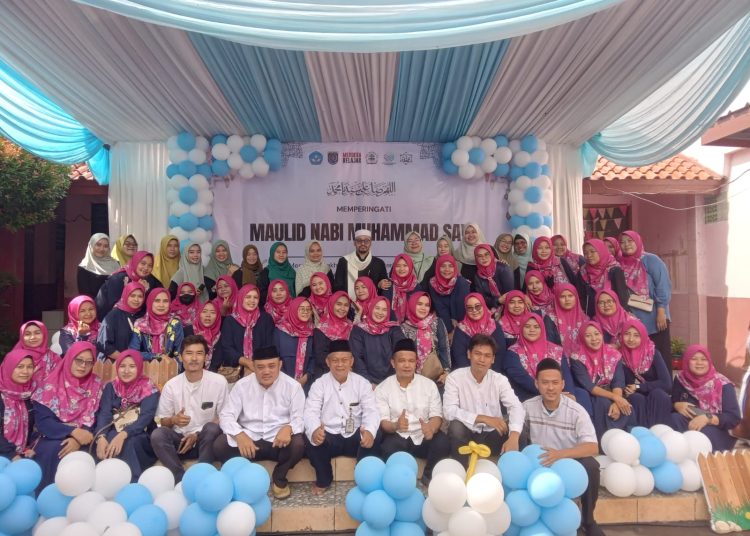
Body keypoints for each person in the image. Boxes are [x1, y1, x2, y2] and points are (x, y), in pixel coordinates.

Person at [522, 358, 604, 536]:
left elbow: (592, 447)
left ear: (562, 384)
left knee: (591, 466)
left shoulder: (576, 411)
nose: (550, 388)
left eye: (555, 383)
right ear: (536, 384)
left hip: (567, 463)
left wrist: (560, 454)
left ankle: (588, 520)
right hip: (539, 464)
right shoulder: (527, 407)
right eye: (545, 383)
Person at [214, 346, 305, 499]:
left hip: (278, 441)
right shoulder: (242, 385)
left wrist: (289, 428)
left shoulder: (293, 387)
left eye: (271, 366)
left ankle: (279, 478)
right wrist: (239, 435)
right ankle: (244, 476)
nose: (266, 371)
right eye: (260, 367)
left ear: (280, 365)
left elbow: (300, 418)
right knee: (220, 445)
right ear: (253, 367)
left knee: (298, 444)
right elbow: (226, 415)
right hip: (250, 441)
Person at [304, 340, 379, 494]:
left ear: (351, 361)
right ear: (327, 362)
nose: (340, 365)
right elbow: (310, 411)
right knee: (309, 437)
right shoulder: (319, 384)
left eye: (344, 360)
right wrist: (315, 429)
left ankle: (364, 477)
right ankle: (324, 479)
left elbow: (371, 411)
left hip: (355, 437)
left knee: (377, 433)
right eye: (335, 360)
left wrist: (369, 431)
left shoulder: (362, 383)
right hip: (329, 436)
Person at [151, 335, 227, 482]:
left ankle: (202, 475)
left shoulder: (219, 382)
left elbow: (224, 417)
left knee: (212, 428)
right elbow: (161, 421)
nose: (194, 358)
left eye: (199, 353)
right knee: (157, 435)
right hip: (180, 441)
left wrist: (197, 434)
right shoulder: (171, 386)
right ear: (181, 357)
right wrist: (173, 420)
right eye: (189, 353)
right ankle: (180, 477)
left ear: (206, 357)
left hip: (206, 440)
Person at [375, 339, 451, 486]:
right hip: (398, 435)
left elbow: (436, 415)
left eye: (411, 361)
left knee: (442, 443)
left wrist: (431, 428)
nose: (407, 365)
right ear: (393, 363)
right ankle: (398, 483)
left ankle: (429, 478)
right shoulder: (382, 388)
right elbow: (384, 422)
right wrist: (396, 425)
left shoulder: (429, 385)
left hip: (423, 435)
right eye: (402, 361)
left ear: (416, 362)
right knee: (387, 447)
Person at [443, 334, 525, 466]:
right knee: (456, 427)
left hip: (492, 434)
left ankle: (512, 469)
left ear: (493, 359)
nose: (482, 359)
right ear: (469, 354)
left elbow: (516, 406)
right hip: (467, 435)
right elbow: (449, 411)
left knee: (519, 429)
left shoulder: (499, 379)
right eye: (477, 354)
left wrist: (514, 436)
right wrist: (483, 418)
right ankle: (462, 469)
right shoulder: (454, 378)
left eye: (487, 356)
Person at [32, 342, 103, 489]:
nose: (83, 366)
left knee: (90, 454)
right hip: (52, 436)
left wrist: (79, 439)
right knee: (55, 450)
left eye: (89, 362)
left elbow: (99, 416)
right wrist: (72, 432)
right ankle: (48, 496)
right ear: (70, 358)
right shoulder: (50, 384)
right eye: (79, 360)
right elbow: (44, 422)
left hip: (86, 435)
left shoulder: (96, 384)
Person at [93, 350, 159, 480]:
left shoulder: (149, 388)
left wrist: (124, 434)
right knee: (107, 441)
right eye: (122, 366)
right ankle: (107, 481)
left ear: (139, 367)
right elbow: (104, 413)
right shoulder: (111, 387)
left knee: (129, 443)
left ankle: (132, 480)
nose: (126, 371)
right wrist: (101, 437)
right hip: (113, 431)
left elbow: (146, 417)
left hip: (140, 433)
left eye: (132, 366)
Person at [503, 313, 586, 410]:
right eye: (527, 326)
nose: (532, 330)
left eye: (536, 327)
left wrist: (569, 394)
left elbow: (566, 375)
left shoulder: (556, 350)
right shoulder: (512, 353)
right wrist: (551, 393)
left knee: (581, 394)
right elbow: (524, 380)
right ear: (521, 329)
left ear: (542, 328)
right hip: (530, 395)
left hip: (556, 392)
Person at [619, 231, 673, 371]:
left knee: (660, 355)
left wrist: (661, 311)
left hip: (656, 317)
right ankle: (647, 383)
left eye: (630, 241)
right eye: (622, 242)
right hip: (634, 318)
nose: (626, 245)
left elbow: (663, 285)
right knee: (641, 357)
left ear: (637, 241)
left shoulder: (650, 260)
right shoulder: (619, 263)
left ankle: (665, 383)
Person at [569, 322, 633, 436]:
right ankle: (603, 439)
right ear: (582, 338)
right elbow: (589, 386)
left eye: (596, 334)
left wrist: (617, 402)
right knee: (602, 403)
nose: (594, 339)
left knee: (626, 406)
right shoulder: (576, 357)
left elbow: (618, 382)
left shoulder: (613, 354)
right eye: (588, 336)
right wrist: (616, 398)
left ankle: (625, 437)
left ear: (602, 335)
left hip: (613, 392)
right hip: (591, 395)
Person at [671, 345, 740, 451]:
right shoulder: (681, 379)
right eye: (694, 359)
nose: (699, 363)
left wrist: (707, 418)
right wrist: (676, 405)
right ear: (687, 361)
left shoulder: (724, 385)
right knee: (674, 419)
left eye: (704, 359)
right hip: (691, 422)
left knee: (702, 435)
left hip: (718, 428)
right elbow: (673, 400)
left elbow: (733, 418)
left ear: (709, 362)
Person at [619, 319, 672, 428]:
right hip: (635, 396)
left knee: (659, 394)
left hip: (654, 394)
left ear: (643, 336)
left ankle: (659, 431)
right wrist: (627, 390)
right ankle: (642, 433)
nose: (631, 339)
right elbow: (620, 382)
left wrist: (638, 387)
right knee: (636, 398)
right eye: (627, 334)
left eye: (636, 335)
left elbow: (666, 383)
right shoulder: (619, 356)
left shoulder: (653, 353)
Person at [218, 284, 274, 377]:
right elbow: (227, 348)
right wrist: (246, 362)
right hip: (235, 371)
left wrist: (255, 365)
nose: (252, 300)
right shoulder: (230, 320)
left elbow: (269, 346)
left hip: (261, 369)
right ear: (240, 298)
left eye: (255, 297)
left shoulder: (266, 319)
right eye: (248, 297)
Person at [350, 297, 406, 386]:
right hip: (366, 383)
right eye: (377, 308)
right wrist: (368, 383)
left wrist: (394, 381)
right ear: (371, 308)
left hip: (392, 382)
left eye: (384, 310)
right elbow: (357, 358)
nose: (380, 312)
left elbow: (402, 352)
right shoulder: (359, 330)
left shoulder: (393, 329)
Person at [96, 250, 162, 320]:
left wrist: (145, 291)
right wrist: (136, 288)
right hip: (110, 318)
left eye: (150, 265)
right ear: (135, 262)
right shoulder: (119, 279)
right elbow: (112, 306)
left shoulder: (148, 281)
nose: (146, 268)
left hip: (134, 320)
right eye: (143, 263)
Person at [400, 292, 451, 382]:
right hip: (412, 379)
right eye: (419, 304)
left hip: (437, 377)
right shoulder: (404, 328)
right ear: (412, 304)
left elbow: (444, 348)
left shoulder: (437, 322)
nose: (423, 308)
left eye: (427, 305)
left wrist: (446, 371)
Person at [451, 293, 505, 372]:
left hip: (492, 372)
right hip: (467, 373)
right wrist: (472, 375)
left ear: (483, 306)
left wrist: (489, 374)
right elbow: (459, 356)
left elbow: (500, 353)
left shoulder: (494, 326)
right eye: (470, 308)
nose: (474, 310)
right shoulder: (461, 329)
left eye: (478, 306)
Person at [576, 239, 629, 317]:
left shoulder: (614, 270)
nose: (589, 256)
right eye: (585, 253)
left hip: (612, 315)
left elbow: (622, 297)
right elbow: (580, 297)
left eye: (592, 251)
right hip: (591, 317)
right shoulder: (582, 272)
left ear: (601, 251)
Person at [0, 349, 37, 460]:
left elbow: (37, 427)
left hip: (23, 454)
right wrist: (12, 454)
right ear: (9, 367)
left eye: (29, 367)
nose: (25, 371)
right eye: (20, 367)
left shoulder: (33, 394)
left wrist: (30, 447)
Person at [129, 289, 185, 362]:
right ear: (150, 302)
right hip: (146, 366)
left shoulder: (175, 323)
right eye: (157, 301)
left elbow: (180, 352)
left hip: (170, 366)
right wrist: (157, 356)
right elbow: (133, 352)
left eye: (165, 301)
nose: (161, 305)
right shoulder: (140, 324)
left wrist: (171, 364)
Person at [311, 291, 354, 382]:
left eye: (346, 305)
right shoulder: (321, 329)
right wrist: (341, 369)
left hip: (349, 375)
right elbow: (320, 357)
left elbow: (355, 352)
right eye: (338, 304)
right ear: (331, 305)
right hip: (326, 376)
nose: (342, 308)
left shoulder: (351, 326)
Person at [334, 229, 388, 299]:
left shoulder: (379, 263)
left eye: (366, 241)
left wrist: (380, 285)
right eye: (359, 241)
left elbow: (384, 289)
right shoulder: (344, 261)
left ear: (371, 243)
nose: (363, 243)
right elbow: (338, 288)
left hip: (373, 304)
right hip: (348, 304)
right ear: (354, 243)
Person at [97, 282, 145, 362]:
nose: (136, 299)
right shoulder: (113, 315)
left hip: (135, 364)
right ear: (125, 295)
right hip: (111, 364)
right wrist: (125, 359)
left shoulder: (141, 316)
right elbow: (103, 344)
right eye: (132, 296)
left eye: (140, 296)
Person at [274, 297, 315, 385]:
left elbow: (315, 358)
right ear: (293, 309)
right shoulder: (280, 331)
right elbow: (274, 358)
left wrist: (305, 378)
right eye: (301, 309)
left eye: (308, 309)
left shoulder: (313, 332)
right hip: (282, 382)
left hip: (306, 383)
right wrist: (288, 381)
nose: (305, 312)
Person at [428, 255, 470, 334]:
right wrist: (449, 330)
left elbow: (463, 310)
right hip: (445, 323)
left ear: (455, 268)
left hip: (463, 325)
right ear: (437, 267)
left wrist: (458, 331)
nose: (447, 269)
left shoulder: (462, 283)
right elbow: (440, 308)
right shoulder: (433, 283)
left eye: (450, 266)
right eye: (443, 266)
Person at [470, 244, 514, 311]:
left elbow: (511, 294)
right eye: (480, 256)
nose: (484, 258)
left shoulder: (503, 269)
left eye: (486, 254)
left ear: (491, 254)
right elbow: (482, 298)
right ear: (476, 259)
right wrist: (498, 301)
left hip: (509, 306)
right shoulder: (478, 275)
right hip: (490, 308)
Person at [77, 233, 120, 299]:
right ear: (91, 245)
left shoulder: (115, 264)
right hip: (94, 304)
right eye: (98, 245)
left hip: (116, 304)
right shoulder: (84, 267)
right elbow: (85, 295)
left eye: (106, 246)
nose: (102, 249)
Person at [553, 283, 588, 357]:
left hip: (582, 359)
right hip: (560, 359)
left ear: (576, 297)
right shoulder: (550, 319)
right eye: (562, 296)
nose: (567, 299)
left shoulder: (585, 319)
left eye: (570, 296)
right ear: (557, 299)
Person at [383, 254, 419, 323]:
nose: (401, 269)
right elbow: (385, 307)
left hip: (410, 325)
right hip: (390, 324)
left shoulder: (416, 286)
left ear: (410, 266)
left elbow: (416, 310)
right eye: (398, 266)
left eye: (405, 265)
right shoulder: (388, 284)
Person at [187, 301, 223, 371]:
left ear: (218, 316)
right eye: (204, 311)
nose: (208, 315)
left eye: (212, 312)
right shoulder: (187, 331)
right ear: (199, 313)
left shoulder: (221, 336)